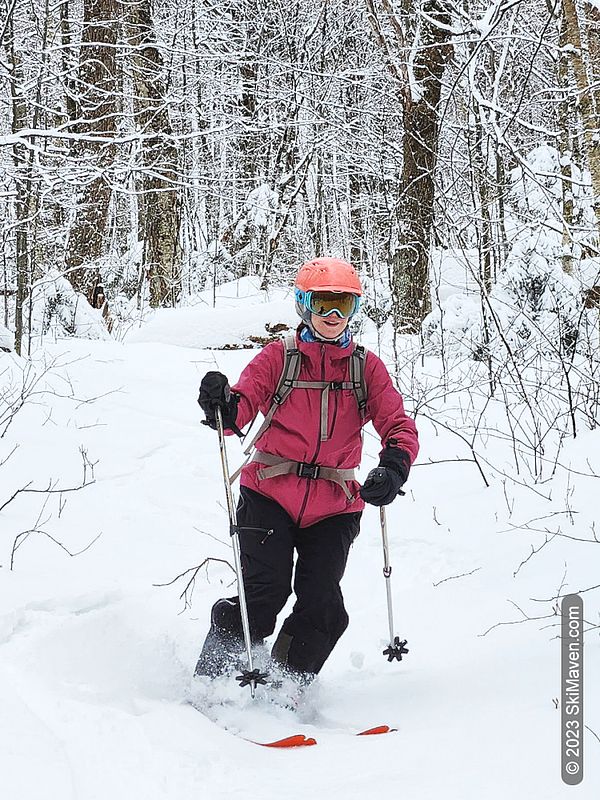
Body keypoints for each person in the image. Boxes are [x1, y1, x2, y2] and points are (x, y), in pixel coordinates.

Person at [195, 257, 419, 687]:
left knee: (323, 607)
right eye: (323, 304)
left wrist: (393, 467)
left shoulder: (364, 368)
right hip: (268, 494)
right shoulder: (279, 358)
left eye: (344, 306)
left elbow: (397, 424)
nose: (333, 317)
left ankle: (283, 687)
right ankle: (211, 683)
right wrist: (221, 405)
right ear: (303, 305)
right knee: (264, 594)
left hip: (335, 505)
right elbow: (241, 405)